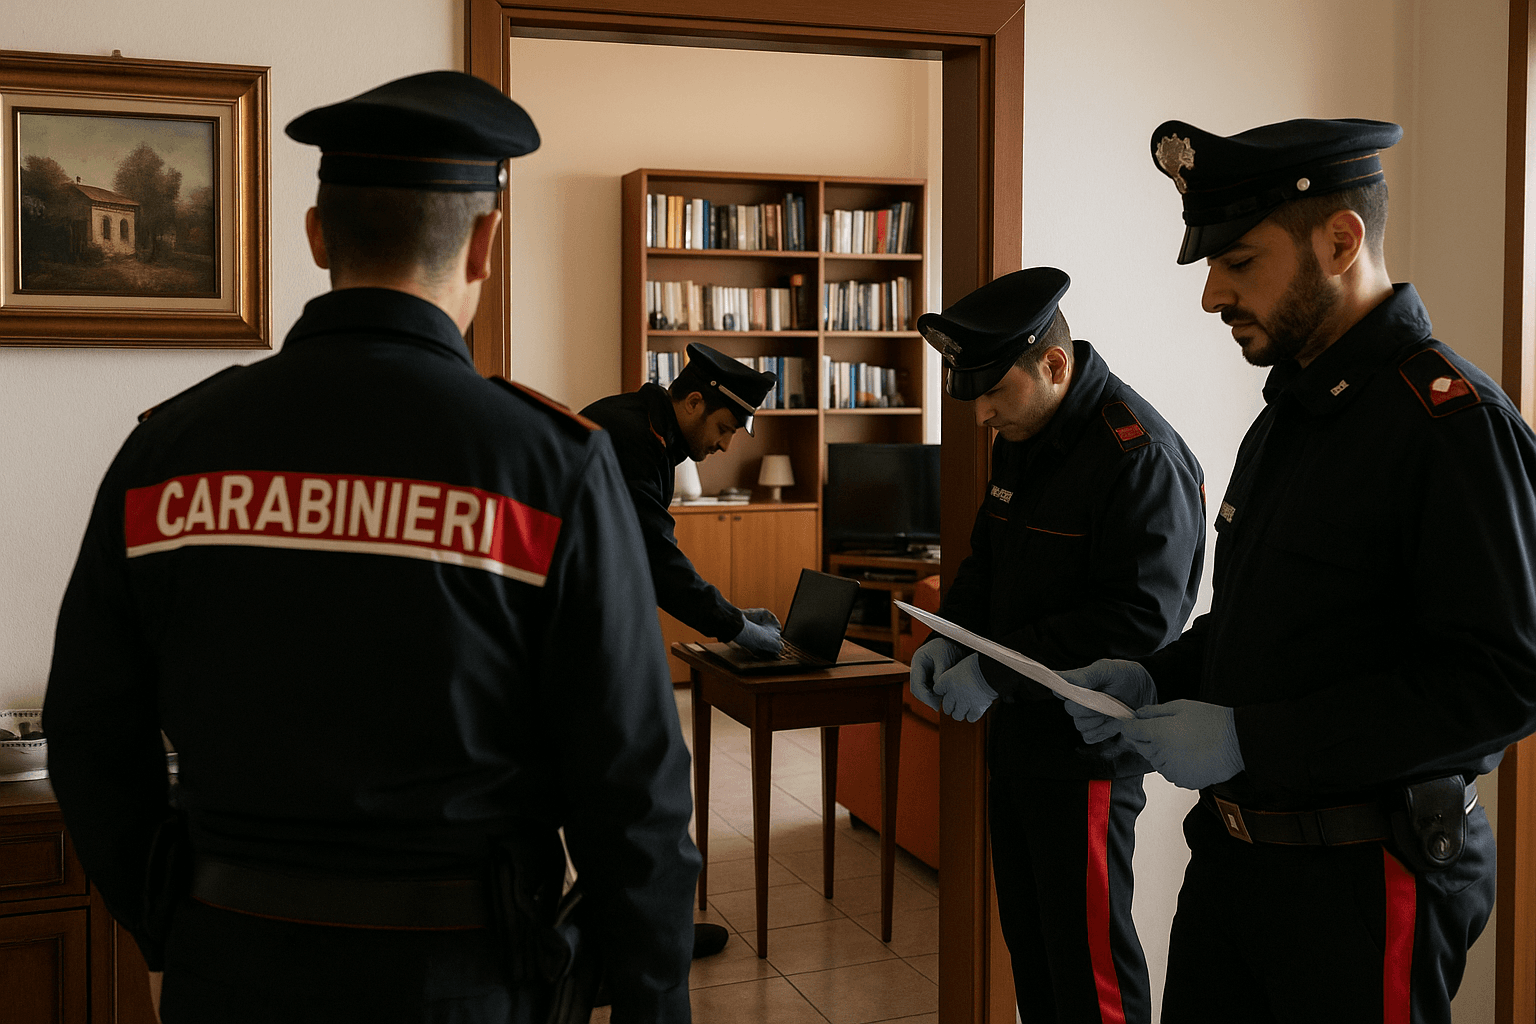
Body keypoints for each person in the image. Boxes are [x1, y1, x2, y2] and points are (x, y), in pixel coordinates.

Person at [42, 71, 698, 1024]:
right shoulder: (547, 465)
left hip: (228, 967)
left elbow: (89, 735)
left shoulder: (170, 450)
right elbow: (632, 789)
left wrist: (171, 919)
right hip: (463, 980)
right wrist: (653, 1005)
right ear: (486, 243)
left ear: (317, 236)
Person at [1063, 116, 1536, 1022]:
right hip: (1239, 865)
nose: (1211, 295)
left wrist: (1251, 740)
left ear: (1340, 239)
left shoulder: (1450, 425)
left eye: (1238, 261)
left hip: (1362, 884)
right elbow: (1262, 630)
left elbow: (1504, 680)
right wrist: (1155, 677)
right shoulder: (1289, 415)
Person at [908, 267, 1207, 1023]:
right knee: (1036, 960)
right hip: (1019, 743)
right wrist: (953, 638)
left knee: (1089, 974)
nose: (980, 416)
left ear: (1053, 365)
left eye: (992, 393)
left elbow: (1136, 624)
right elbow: (989, 559)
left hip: (1086, 756)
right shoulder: (1027, 431)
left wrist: (995, 673)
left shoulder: (1137, 456)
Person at [579, 344, 778, 962]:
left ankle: (627, 933)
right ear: (693, 401)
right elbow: (659, 561)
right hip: (576, 636)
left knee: (619, 797)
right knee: (643, 796)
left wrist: (734, 617)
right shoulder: (633, 439)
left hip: (585, 626)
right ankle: (644, 945)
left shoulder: (642, 427)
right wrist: (734, 627)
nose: (724, 445)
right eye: (722, 427)